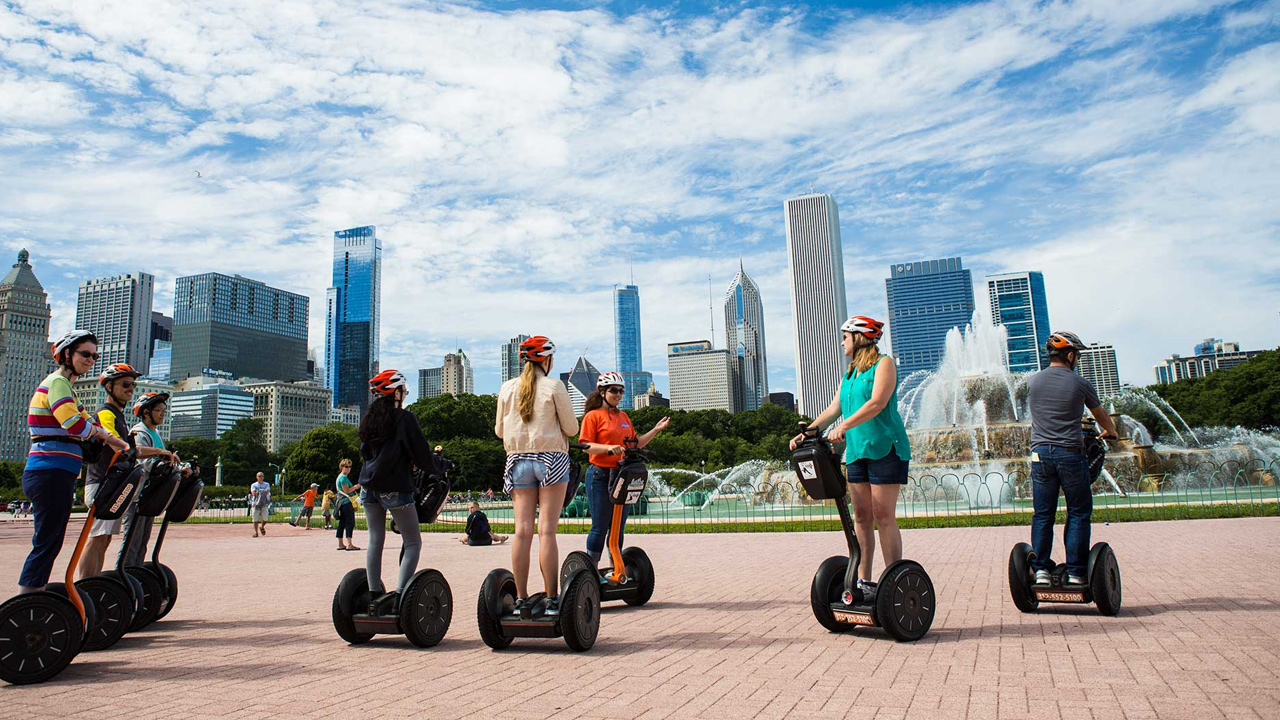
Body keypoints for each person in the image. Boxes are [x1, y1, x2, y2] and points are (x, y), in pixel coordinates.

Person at [790, 316, 911, 596]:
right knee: (861, 516)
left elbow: (878, 402)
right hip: (856, 453)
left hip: (885, 448)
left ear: (859, 337)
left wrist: (844, 425)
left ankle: (894, 581)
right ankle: (864, 581)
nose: (842, 342)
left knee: (883, 515)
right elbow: (833, 409)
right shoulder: (849, 375)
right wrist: (806, 434)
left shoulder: (885, 364)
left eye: (845, 337)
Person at [19, 330, 128, 594]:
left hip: (60, 471)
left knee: (52, 539)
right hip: (49, 470)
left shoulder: (68, 389)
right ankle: (29, 600)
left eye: (94, 355)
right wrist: (102, 435)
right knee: (47, 540)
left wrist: (122, 445)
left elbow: (90, 422)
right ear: (67, 354)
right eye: (85, 354)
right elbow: (73, 423)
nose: (91, 359)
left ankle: (37, 596)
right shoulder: (57, 383)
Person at [1026, 331, 1119, 586]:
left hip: (1040, 454)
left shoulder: (1033, 381)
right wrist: (1110, 431)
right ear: (1070, 355)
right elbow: (1100, 415)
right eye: (1076, 354)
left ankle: (1041, 570)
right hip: (1070, 452)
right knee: (1078, 512)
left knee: (1043, 514)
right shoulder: (1079, 383)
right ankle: (1077, 572)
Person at [494, 335, 578, 614]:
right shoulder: (555, 386)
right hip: (552, 458)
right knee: (547, 531)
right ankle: (552, 599)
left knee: (522, 532)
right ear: (547, 359)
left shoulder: (507, 388)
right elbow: (571, 428)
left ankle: (520, 599)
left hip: (517, 460)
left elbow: (499, 431)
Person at [78, 365, 172, 579]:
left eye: (132, 385)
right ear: (109, 387)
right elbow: (120, 447)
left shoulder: (119, 416)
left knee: (104, 538)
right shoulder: (105, 413)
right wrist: (158, 451)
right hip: (102, 484)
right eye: (125, 384)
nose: (130, 389)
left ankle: (93, 585)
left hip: (114, 486)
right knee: (97, 538)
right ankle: (85, 586)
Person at [358, 369, 439, 616]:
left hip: (368, 487)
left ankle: (374, 592)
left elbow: (366, 453)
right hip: (395, 488)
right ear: (396, 392)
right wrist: (440, 466)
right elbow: (423, 456)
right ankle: (402, 595)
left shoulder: (369, 421)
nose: (404, 394)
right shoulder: (404, 418)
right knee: (413, 542)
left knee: (375, 539)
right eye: (403, 390)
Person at [577, 371, 669, 565]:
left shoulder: (624, 416)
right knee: (599, 527)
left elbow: (636, 443)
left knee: (618, 526)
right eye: (614, 390)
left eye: (621, 391)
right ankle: (591, 571)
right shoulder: (593, 416)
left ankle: (616, 568)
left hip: (622, 476)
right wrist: (608, 448)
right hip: (599, 475)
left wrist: (655, 430)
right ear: (602, 392)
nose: (618, 394)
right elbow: (586, 446)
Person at [118, 391, 185, 566]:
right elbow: (144, 462)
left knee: (142, 542)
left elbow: (161, 461)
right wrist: (167, 465)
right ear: (146, 412)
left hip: (150, 494)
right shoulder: (139, 432)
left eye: (164, 410)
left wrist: (180, 468)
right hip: (138, 495)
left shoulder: (155, 434)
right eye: (158, 410)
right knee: (132, 541)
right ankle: (123, 575)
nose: (163, 413)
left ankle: (136, 574)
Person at [334, 459, 359, 550]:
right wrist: (356, 487)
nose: (348, 468)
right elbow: (347, 491)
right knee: (350, 522)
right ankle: (349, 544)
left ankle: (341, 543)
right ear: (341, 467)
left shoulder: (340, 477)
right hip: (346, 502)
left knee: (343, 522)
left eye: (349, 467)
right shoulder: (343, 478)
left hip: (342, 502)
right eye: (346, 466)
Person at [249, 471, 271, 537]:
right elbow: (253, 493)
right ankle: (256, 532)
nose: (261, 477)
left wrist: (259, 492)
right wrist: (262, 492)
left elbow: (267, 491)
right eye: (259, 476)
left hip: (264, 503)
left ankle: (262, 526)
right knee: (255, 519)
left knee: (265, 519)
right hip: (256, 503)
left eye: (262, 476)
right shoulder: (254, 485)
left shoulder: (266, 484)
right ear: (257, 477)